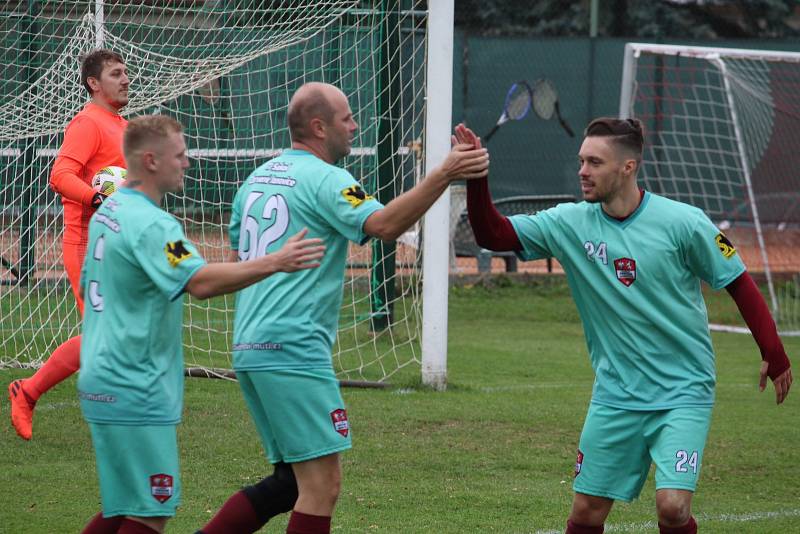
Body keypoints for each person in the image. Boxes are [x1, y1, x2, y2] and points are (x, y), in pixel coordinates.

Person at [458, 118, 792, 534]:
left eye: (594, 162)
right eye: (581, 160)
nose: (582, 170)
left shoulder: (684, 223)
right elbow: (493, 234)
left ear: (628, 168)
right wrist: (476, 178)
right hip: (616, 394)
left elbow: (738, 281)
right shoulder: (569, 224)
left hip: (683, 391)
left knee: (673, 507)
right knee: (586, 513)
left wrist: (773, 352)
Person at [197, 82, 489, 534]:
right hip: (292, 348)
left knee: (290, 483)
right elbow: (386, 225)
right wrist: (444, 173)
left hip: (251, 346)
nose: (354, 126)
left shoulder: (257, 179)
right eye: (346, 118)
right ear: (319, 127)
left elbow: (240, 261)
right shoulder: (328, 178)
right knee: (322, 485)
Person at [79, 114, 325, 534]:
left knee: (123, 504)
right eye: (180, 155)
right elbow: (199, 282)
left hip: (100, 374)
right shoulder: (155, 224)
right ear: (152, 160)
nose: (187, 163)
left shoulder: (111, 209)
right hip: (135, 381)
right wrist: (275, 261)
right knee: (150, 509)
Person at [8, 49, 130, 440]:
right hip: (87, 246)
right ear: (94, 83)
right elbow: (60, 174)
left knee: (127, 329)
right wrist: (98, 199)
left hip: (119, 245)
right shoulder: (87, 122)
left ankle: (120, 403)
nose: (126, 79)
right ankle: (27, 391)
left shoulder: (123, 125)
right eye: (116, 73)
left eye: (126, 73)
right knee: (103, 333)